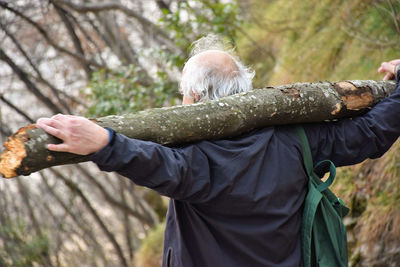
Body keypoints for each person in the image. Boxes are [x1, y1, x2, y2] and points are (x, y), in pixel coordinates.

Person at [36, 35, 400, 266]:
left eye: (183, 92)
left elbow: (159, 165)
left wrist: (106, 144)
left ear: (194, 97)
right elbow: (370, 132)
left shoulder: (196, 161)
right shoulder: (296, 139)